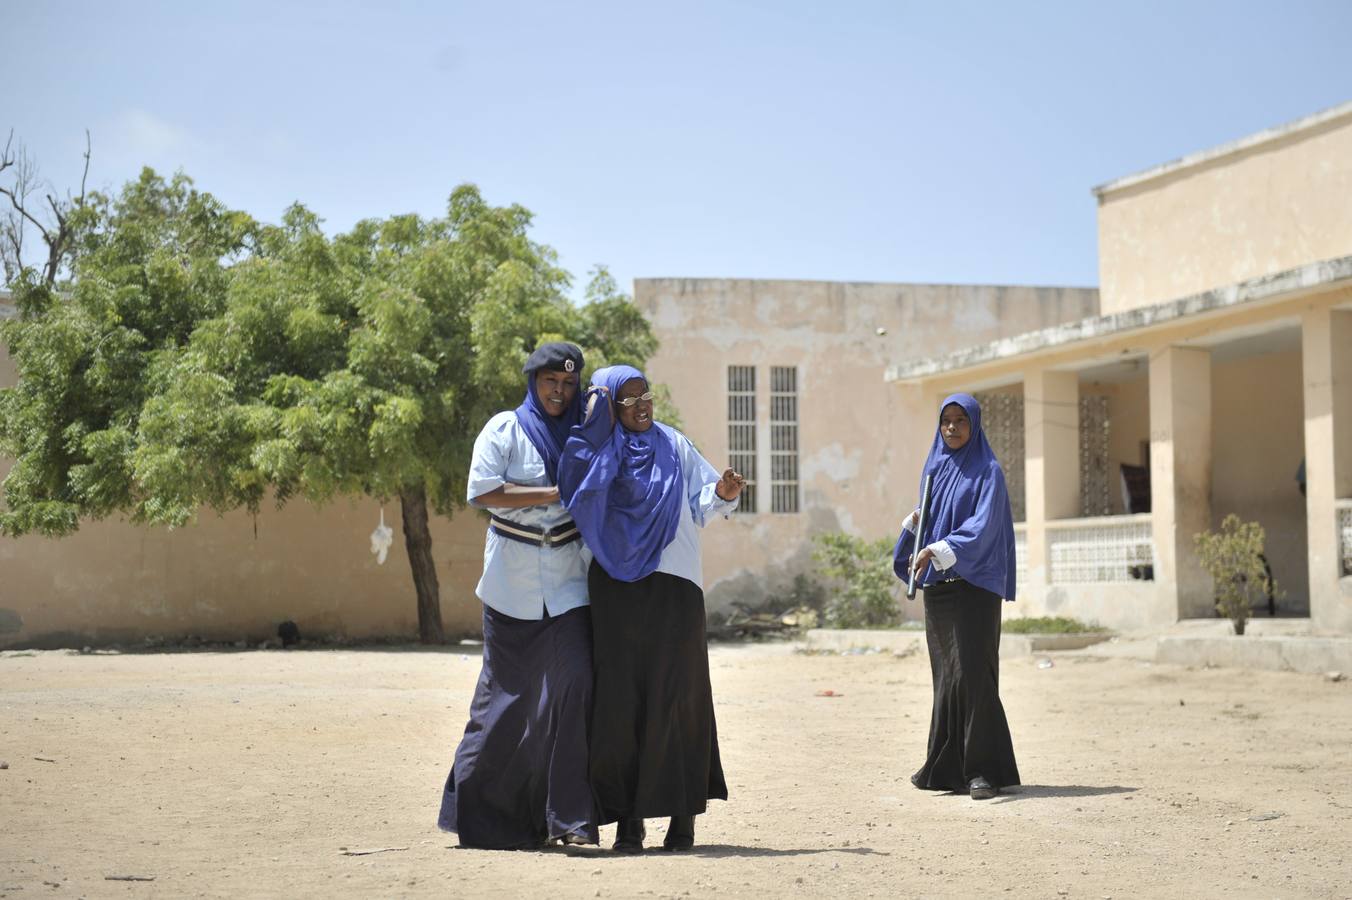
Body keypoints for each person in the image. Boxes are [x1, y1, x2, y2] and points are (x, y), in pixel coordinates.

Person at [557, 365, 744, 854]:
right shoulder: (597, 452)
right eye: (630, 399)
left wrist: (722, 493)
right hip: (616, 589)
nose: (643, 406)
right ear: (611, 404)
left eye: (647, 396)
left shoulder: (674, 444)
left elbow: (705, 501)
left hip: (675, 587)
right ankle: (628, 824)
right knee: (620, 704)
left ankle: (683, 822)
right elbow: (578, 502)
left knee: (680, 699)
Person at [437, 342, 598, 849]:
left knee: (575, 687)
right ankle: (483, 818)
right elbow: (483, 492)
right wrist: (552, 494)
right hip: (512, 583)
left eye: (569, 383)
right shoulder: (504, 429)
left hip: (570, 583)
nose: (559, 391)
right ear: (533, 381)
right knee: (506, 704)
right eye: (551, 381)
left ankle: (571, 821)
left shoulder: (588, 435)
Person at [893, 392, 1020, 801]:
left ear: (974, 425)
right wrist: (916, 525)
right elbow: (931, 513)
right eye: (946, 420)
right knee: (947, 676)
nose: (951, 428)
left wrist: (940, 548)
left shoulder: (988, 471)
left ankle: (984, 770)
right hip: (940, 590)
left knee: (975, 675)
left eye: (960, 421)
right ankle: (946, 767)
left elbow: (982, 528)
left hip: (975, 585)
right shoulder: (936, 466)